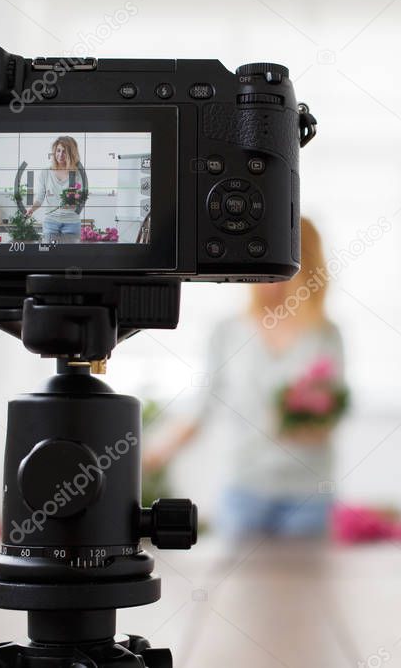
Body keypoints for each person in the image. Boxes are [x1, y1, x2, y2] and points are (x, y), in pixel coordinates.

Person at [145, 218, 345, 539]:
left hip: (308, 495)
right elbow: (203, 406)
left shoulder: (326, 334)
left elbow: (332, 412)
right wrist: (153, 453)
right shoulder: (228, 331)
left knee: (307, 588)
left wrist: (306, 421)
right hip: (245, 491)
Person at [25, 136, 84, 243]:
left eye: (65, 152)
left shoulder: (77, 173)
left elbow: (79, 200)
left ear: (71, 154)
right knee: (49, 256)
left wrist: (74, 201)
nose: (60, 155)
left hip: (71, 223)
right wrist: (32, 209)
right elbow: (40, 198)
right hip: (51, 222)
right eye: (58, 150)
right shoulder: (46, 173)